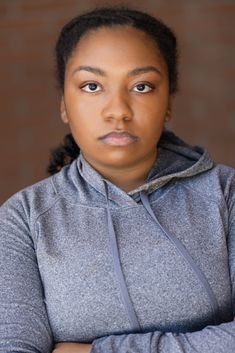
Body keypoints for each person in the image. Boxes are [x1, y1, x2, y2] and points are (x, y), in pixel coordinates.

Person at [0, 6, 234, 353]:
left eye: (141, 86)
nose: (118, 110)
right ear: (64, 103)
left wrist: (99, 351)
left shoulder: (224, 193)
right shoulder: (24, 219)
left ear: (168, 101)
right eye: (92, 86)